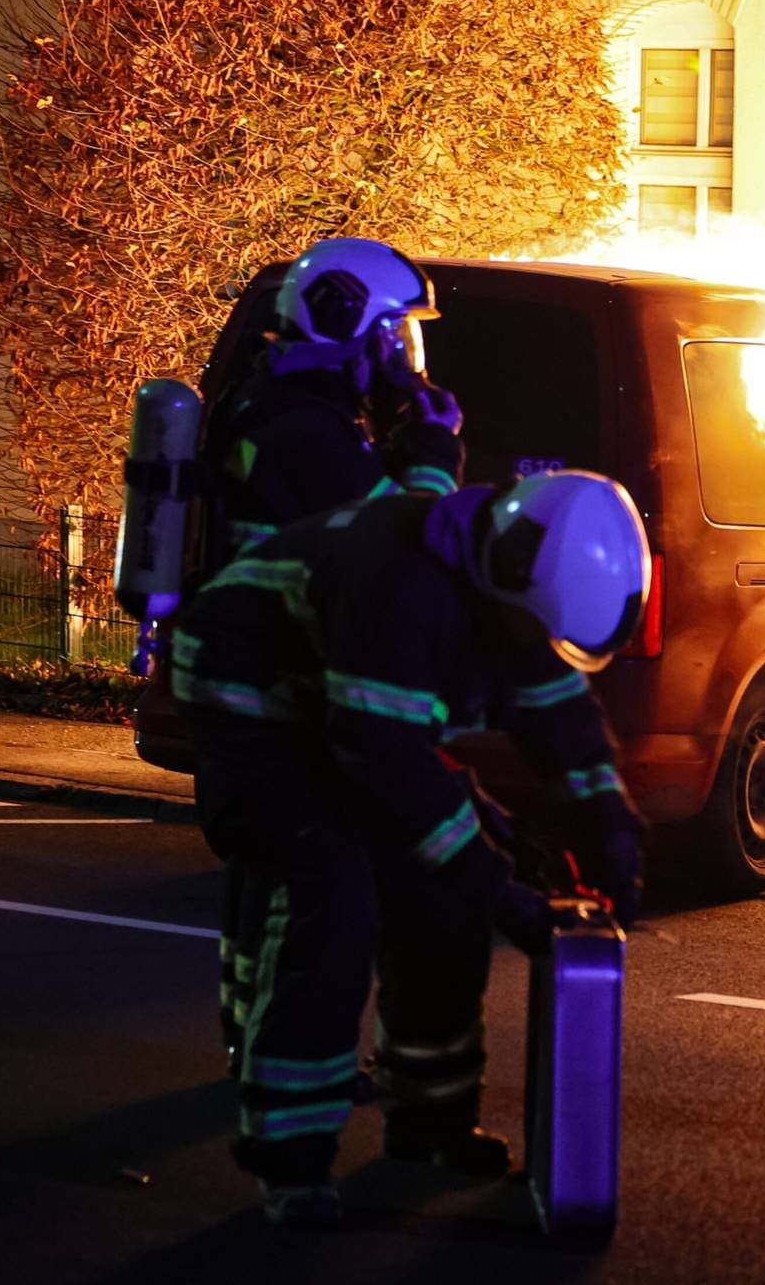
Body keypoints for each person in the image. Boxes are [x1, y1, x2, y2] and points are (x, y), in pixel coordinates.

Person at [171, 471, 650, 1226]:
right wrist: (502, 891)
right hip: (250, 698)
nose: (536, 647)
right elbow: (391, 773)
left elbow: (556, 709)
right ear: (504, 589)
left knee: (442, 906)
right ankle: (289, 1161)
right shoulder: (397, 588)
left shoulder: (522, 587)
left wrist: (611, 821)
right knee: (332, 893)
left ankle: (430, 1127)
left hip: (343, 706)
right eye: (532, 631)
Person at [201, 238, 463, 1075]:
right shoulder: (311, 436)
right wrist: (432, 461)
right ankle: (294, 1085)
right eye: (397, 340)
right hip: (286, 708)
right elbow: (398, 552)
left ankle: (248, 1039)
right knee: (324, 899)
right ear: (351, 326)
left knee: (263, 889)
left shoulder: (263, 406)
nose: (405, 363)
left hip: (248, 697)